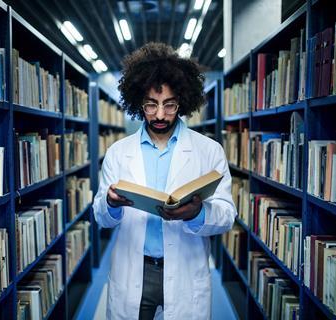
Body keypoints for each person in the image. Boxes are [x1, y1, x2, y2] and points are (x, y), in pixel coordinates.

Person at [92, 42, 237, 320]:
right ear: (138, 102)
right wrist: (110, 204)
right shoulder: (118, 152)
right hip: (135, 269)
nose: (160, 115)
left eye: (169, 105)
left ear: (182, 101)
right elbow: (102, 218)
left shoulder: (209, 150)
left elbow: (227, 215)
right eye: (151, 105)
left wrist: (198, 213)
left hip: (185, 268)